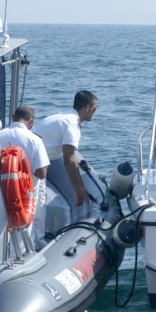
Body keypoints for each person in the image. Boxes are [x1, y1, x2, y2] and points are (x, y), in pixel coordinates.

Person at [0, 106, 50, 270]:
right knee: (20, 240)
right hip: (23, 195)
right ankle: (14, 277)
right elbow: (41, 173)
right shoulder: (35, 140)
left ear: (13, 116)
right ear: (31, 120)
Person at [32, 90, 97, 248]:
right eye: (94, 109)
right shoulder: (71, 124)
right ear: (87, 108)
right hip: (29, 164)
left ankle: (38, 240)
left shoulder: (63, 117)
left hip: (37, 164)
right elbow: (69, 159)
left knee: (40, 203)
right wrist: (79, 189)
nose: (95, 113)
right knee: (32, 203)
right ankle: (22, 245)